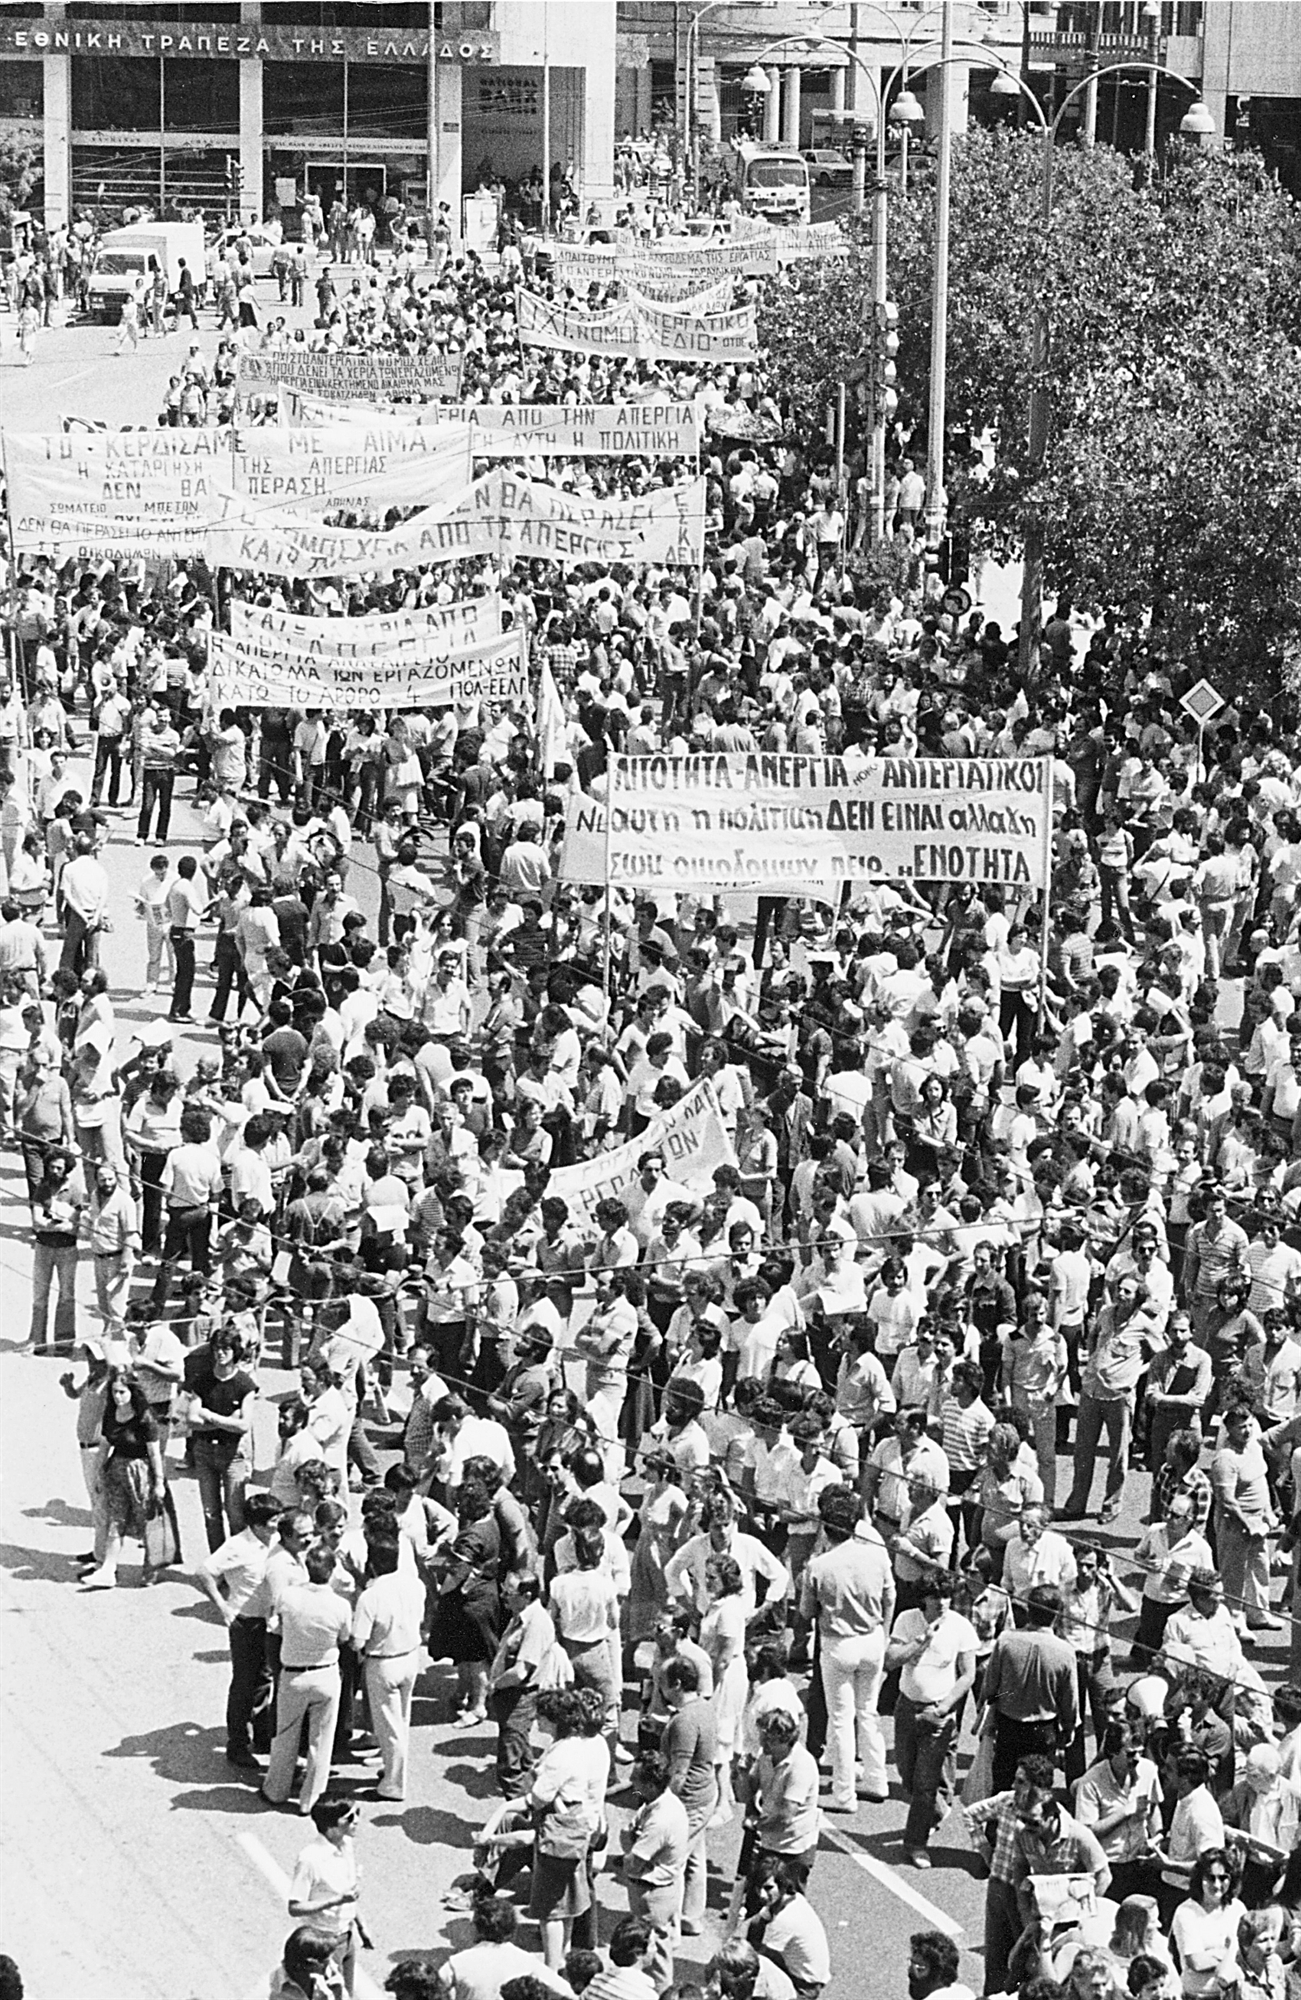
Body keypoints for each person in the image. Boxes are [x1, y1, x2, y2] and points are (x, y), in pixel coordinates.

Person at [800, 1484, 893, 1812]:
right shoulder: (876, 1554)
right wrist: (883, 1630)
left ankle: (844, 1794)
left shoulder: (820, 1566)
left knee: (840, 1719)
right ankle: (877, 1779)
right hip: (872, 1639)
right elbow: (889, 1595)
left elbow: (806, 1612)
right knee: (868, 1712)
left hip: (838, 1643)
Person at [885, 1566, 978, 1867]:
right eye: (936, 1597)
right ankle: (937, 1808)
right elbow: (890, 1660)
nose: (942, 1603)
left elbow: (968, 1675)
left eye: (947, 1597)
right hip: (906, 1706)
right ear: (923, 1599)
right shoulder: (906, 1620)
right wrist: (921, 1641)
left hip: (938, 1712)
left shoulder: (961, 1627)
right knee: (907, 1775)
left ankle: (915, 1843)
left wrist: (944, 1707)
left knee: (924, 1784)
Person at [262, 1540, 352, 1815]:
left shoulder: (288, 1597)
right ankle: (310, 1800)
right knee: (321, 1741)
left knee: (285, 1736)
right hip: (325, 1675)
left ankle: (276, 1790)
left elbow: (275, 1626)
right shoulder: (340, 1605)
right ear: (332, 1570)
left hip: (293, 1676)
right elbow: (344, 1637)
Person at [194, 1489, 283, 1768]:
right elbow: (205, 1572)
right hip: (245, 1622)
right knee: (244, 1684)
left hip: (270, 1622)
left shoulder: (277, 1541)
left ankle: (262, 1735)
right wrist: (223, 1607)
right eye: (271, 1520)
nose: (276, 1524)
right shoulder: (238, 1546)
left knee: (265, 1679)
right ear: (255, 1524)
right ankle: (237, 1744)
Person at [81, 1367, 169, 1591]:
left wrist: (158, 1483)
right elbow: (104, 1447)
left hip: (142, 1474)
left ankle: (151, 1569)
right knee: (116, 1520)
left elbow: (155, 1453)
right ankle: (108, 1570)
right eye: (114, 1392)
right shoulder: (111, 1414)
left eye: (122, 1392)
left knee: (146, 1521)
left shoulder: (145, 1418)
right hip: (117, 1471)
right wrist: (98, 1474)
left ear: (133, 1391)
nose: (118, 1397)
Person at [351, 1536, 424, 1803]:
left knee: (388, 1727)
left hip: (383, 1662)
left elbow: (358, 1640)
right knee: (401, 1721)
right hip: (410, 1657)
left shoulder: (371, 1596)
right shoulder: (414, 1585)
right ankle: (393, 1772)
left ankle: (393, 1785)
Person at [621, 1749, 689, 1995]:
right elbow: (635, 1822)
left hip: (652, 1895)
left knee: (655, 1958)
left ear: (650, 1784)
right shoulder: (661, 1801)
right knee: (658, 1949)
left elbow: (633, 1863)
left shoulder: (661, 1819)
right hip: (663, 1889)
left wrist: (626, 1842)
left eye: (636, 1779)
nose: (631, 1783)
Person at [288, 1798, 370, 1998]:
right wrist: (335, 1901)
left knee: (346, 1993)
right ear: (331, 1825)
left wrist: (361, 1926)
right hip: (324, 1942)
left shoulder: (346, 1844)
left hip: (346, 1935)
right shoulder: (310, 1859)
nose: (356, 1820)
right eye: (350, 1818)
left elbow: (348, 1890)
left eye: (357, 1813)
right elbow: (295, 1907)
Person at [1169, 1851, 1246, 2000]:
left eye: (1223, 1878)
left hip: (1234, 1993)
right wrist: (1230, 1952)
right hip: (1198, 1995)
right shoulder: (1186, 1912)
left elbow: (1249, 1954)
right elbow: (1197, 1963)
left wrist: (1213, 1953)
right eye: (1210, 1878)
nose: (1217, 1885)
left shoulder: (1238, 1909)